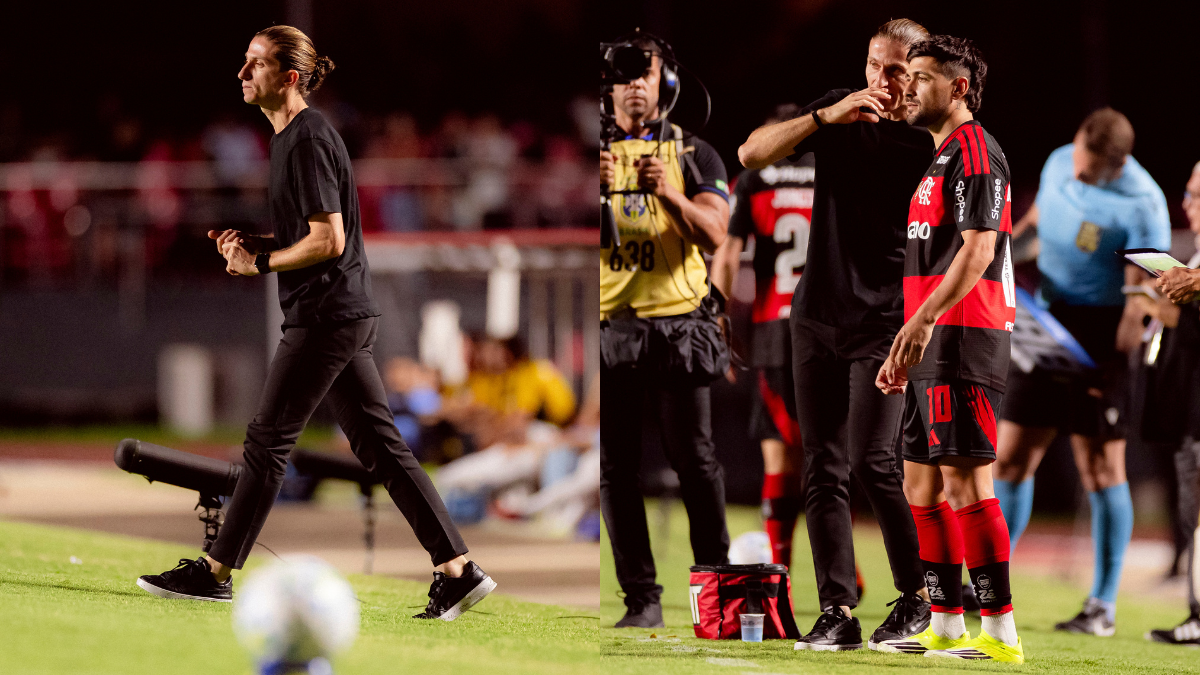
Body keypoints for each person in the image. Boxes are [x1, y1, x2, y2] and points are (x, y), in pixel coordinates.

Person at [135, 26, 495, 621]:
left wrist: (262, 262)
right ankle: (458, 570)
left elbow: (330, 240)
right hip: (338, 312)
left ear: (289, 77)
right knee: (381, 447)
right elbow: (314, 234)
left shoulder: (304, 139)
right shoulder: (292, 138)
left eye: (255, 64)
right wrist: (259, 243)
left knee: (267, 443)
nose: (242, 73)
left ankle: (217, 572)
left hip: (325, 315)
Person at [737, 19, 931, 651]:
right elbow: (751, 155)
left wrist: (921, 323)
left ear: (920, 74)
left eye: (898, 69)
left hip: (884, 322)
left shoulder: (931, 141)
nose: (883, 80)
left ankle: (915, 600)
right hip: (815, 314)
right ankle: (838, 610)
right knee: (821, 464)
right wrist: (826, 119)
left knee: (875, 462)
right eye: (876, 65)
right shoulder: (838, 114)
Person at [990, 108, 1170, 636]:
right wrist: (993, 260)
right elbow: (1034, 229)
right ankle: (991, 585)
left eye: (1088, 169)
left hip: (1103, 332)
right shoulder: (1058, 163)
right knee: (1013, 456)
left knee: (1100, 467)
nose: (1075, 171)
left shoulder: (1143, 201)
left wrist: (1125, 339)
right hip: (1047, 320)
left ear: (1115, 166)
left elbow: (1150, 281)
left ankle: (1102, 606)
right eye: (1076, 157)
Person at [874, 35, 1024, 663]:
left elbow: (979, 250)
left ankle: (1000, 634)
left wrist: (926, 322)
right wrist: (907, 339)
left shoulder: (975, 152)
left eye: (922, 76)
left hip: (965, 337)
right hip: (934, 337)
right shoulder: (938, 158)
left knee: (967, 483)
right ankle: (945, 623)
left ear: (958, 88)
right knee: (919, 485)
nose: (908, 87)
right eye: (906, 76)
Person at [600, 31, 732, 629]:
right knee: (616, 471)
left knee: (696, 462)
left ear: (665, 85)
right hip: (614, 326)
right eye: (622, 75)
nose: (632, 85)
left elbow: (716, 233)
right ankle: (641, 601)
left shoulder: (695, 153)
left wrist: (671, 194)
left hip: (679, 324)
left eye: (643, 74)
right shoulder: (595, 153)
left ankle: (719, 594)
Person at [712, 104, 813, 571]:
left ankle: (782, 571)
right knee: (830, 454)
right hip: (830, 328)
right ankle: (843, 567)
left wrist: (718, 318)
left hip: (776, 330)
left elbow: (729, 255)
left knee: (780, 455)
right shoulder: (832, 172)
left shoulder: (753, 177)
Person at [1147, 161, 1200, 645]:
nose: (1187, 203)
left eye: (1196, 195)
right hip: (1186, 403)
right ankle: (1195, 613)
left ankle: (1198, 617)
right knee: (1190, 510)